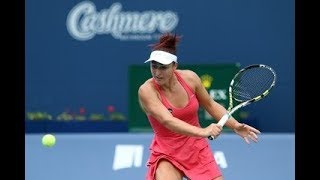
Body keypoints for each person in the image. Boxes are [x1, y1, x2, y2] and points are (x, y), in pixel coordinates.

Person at [138, 33, 261, 180]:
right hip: (167, 152)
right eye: (154, 66)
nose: (157, 73)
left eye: (163, 67)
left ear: (174, 66)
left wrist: (234, 125)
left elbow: (210, 104)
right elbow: (167, 121)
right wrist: (203, 131)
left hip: (196, 149)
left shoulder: (190, 78)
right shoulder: (146, 90)